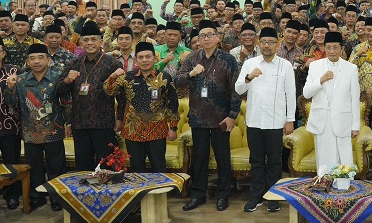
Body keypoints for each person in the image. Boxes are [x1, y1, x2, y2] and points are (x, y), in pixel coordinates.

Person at [175, 20, 241, 212]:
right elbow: (177, 81)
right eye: (202, 36)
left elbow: (235, 90)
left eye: (210, 35)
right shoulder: (191, 59)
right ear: (198, 40)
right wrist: (191, 74)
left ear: (218, 38)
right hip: (198, 117)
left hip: (221, 118)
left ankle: (223, 195)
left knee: (222, 158)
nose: (206, 38)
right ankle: (198, 195)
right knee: (200, 158)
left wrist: (232, 115)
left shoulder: (228, 60)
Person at [235, 27, 296, 213]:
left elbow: (291, 94)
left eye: (271, 42)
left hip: (276, 122)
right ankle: (256, 196)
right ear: (258, 43)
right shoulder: (250, 63)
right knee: (256, 160)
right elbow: (238, 90)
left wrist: (290, 120)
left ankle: (273, 196)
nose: (267, 46)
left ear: (278, 44)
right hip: (254, 120)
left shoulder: (285, 65)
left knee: (275, 161)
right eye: (264, 42)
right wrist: (248, 77)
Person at [7, 44, 68, 211]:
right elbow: (12, 105)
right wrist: (10, 89)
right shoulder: (20, 80)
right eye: (32, 58)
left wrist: (67, 123)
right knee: (34, 168)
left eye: (40, 57)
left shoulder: (58, 77)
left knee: (56, 167)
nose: (36, 61)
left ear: (48, 60)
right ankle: (36, 197)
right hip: (30, 132)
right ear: (27, 61)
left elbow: (65, 102)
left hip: (53, 130)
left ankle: (57, 198)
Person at [103, 42, 179, 173]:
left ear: (155, 58)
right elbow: (108, 90)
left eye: (148, 57)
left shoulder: (165, 77)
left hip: (157, 131)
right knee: (136, 169)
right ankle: (140, 194)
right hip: (133, 132)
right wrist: (113, 76)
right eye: (141, 57)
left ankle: (159, 194)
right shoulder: (127, 77)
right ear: (136, 60)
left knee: (159, 167)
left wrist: (173, 127)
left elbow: (172, 103)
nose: (145, 60)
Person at [58, 21, 121, 171]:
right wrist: (67, 80)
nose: (90, 43)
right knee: (83, 167)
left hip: (104, 123)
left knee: (106, 165)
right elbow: (59, 91)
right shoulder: (73, 63)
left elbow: (122, 95)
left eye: (94, 39)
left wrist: (120, 118)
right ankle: (84, 194)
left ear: (100, 42)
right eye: (86, 40)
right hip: (80, 123)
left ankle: (107, 194)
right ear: (80, 42)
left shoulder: (113, 64)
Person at [303, 31, 361, 175]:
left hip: (342, 120)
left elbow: (354, 98)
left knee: (344, 157)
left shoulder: (351, 68)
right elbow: (306, 93)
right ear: (325, 48)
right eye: (328, 47)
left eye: (335, 47)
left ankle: (343, 189)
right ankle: (324, 185)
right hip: (321, 121)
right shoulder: (315, 66)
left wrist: (355, 126)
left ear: (342, 49)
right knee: (323, 158)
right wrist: (321, 80)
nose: (332, 51)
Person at [0, 40, 22, 210]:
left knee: (11, 162)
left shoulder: (14, 70)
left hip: (9, 124)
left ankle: (12, 196)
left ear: (3, 52)